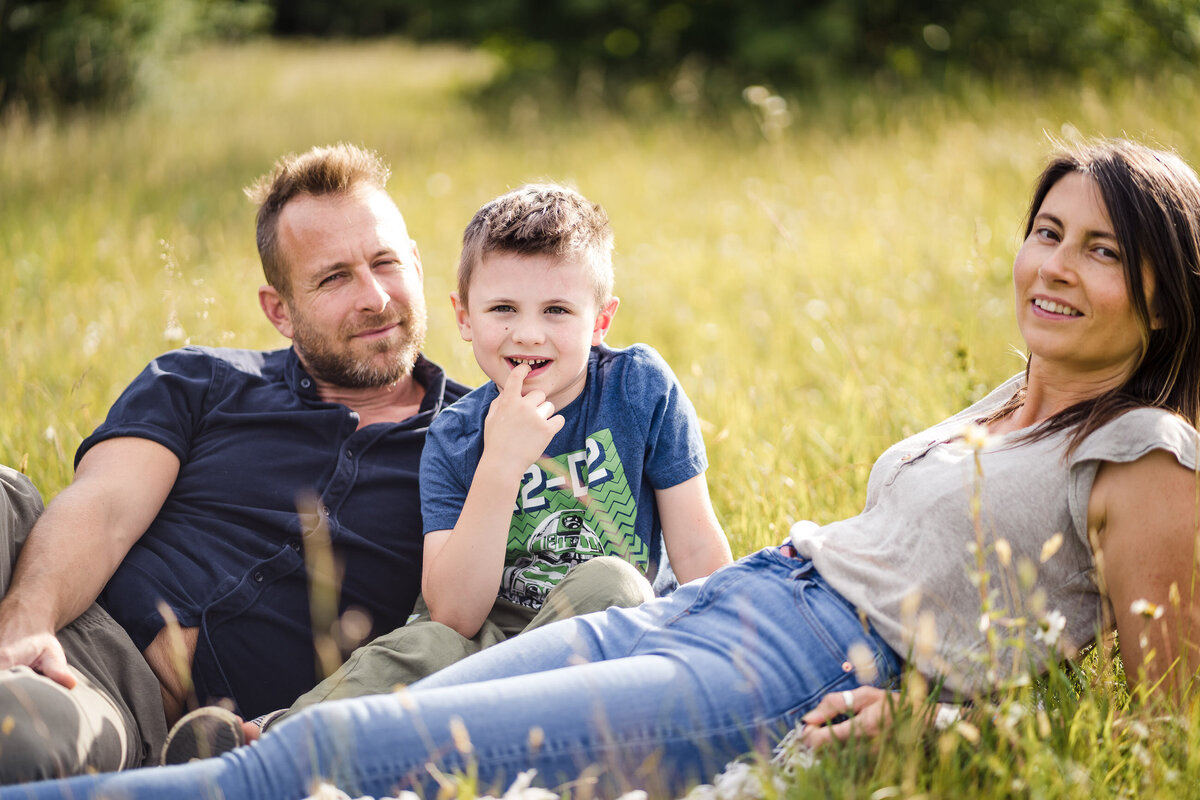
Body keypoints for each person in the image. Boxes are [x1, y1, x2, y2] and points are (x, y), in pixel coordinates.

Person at [7, 138, 1200, 800]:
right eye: (1048, 231)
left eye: (1102, 250)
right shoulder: (1021, 394)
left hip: (772, 657)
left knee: (321, 760)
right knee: (317, 746)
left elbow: (1155, 726)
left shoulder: (1145, 454)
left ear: (1165, 290)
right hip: (731, 606)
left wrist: (927, 726)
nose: (1055, 264)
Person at [0, 142, 479, 782]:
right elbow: (104, 506)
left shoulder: (478, 442)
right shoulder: (200, 380)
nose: (374, 297)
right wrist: (24, 626)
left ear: (417, 266)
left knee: (16, 735)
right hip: (63, 604)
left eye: (386, 263)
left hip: (107, 687)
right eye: (334, 277)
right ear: (278, 310)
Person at [265, 184, 732, 724]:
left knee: (616, 583)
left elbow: (698, 550)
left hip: (601, 638)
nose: (528, 334)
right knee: (427, 647)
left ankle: (468, 720)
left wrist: (729, 654)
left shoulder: (637, 389)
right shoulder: (456, 434)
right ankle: (268, 740)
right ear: (464, 318)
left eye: (557, 310)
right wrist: (500, 462)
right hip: (482, 640)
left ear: (601, 321)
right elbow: (455, 614)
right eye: (503, 308)